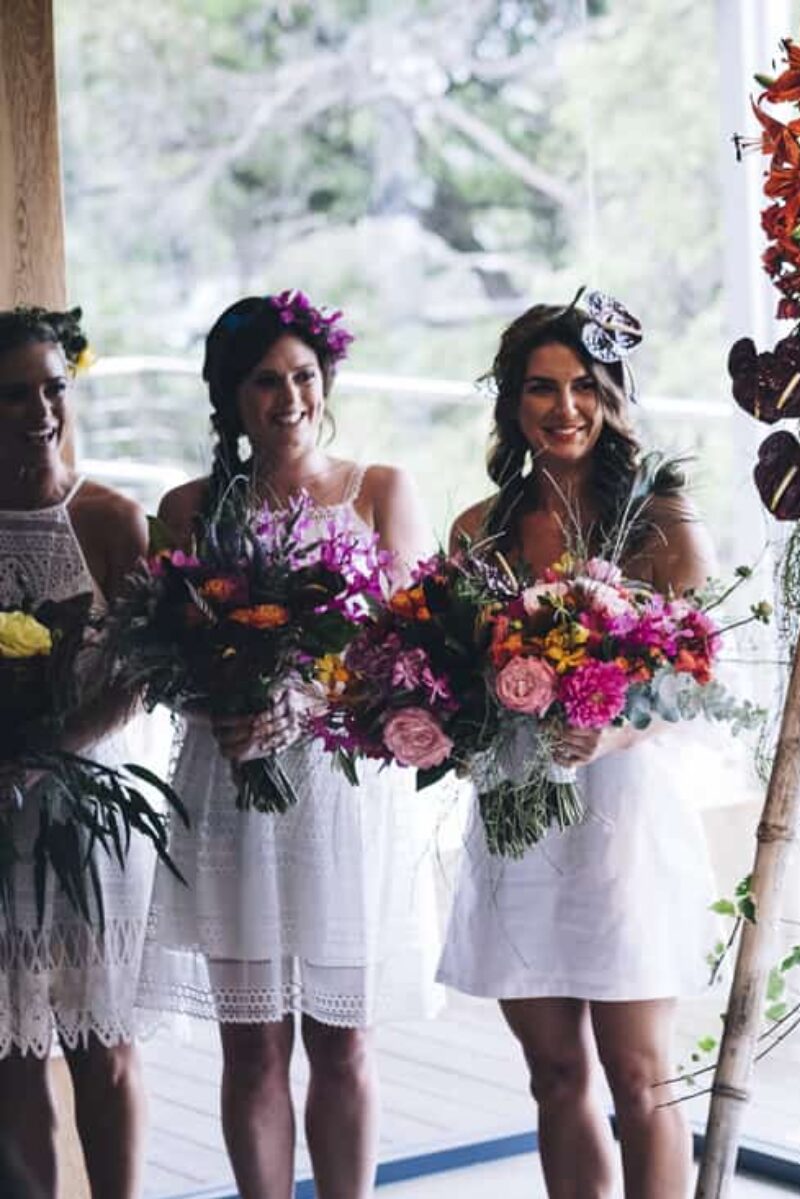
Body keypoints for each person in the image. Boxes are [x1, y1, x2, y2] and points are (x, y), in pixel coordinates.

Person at [137, 293, 442, 1199]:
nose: (289, 397)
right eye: (265, 380)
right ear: (230, 397)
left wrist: (306, 696)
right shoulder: (189, 508)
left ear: (327, 382)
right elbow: (161, 655)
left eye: (304, 376)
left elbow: (415, 649)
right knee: (253, 1044)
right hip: (232, 790)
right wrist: (220, 707)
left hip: (342, 792)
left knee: (342, 1039)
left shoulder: (379, 489)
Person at [435, 296, 721, 1199]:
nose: (565, 409)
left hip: (620, 814)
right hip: (519, 809)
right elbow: (450, 673)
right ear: (512, 405)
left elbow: (700, 683)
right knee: (554, 1074)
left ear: (612, 397)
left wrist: (617, 730)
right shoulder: (477, 530)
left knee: (639, 1075)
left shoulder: (663, 523)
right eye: (542, 389)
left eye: (585, 389)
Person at [0, 307, 155, 1199]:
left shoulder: (108, 517)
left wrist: (47, 750)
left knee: (104, 1041)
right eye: (14, 393)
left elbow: (138, 676)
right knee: (11, 1044)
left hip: (93, 810)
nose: (39, 410)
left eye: (53, 387)